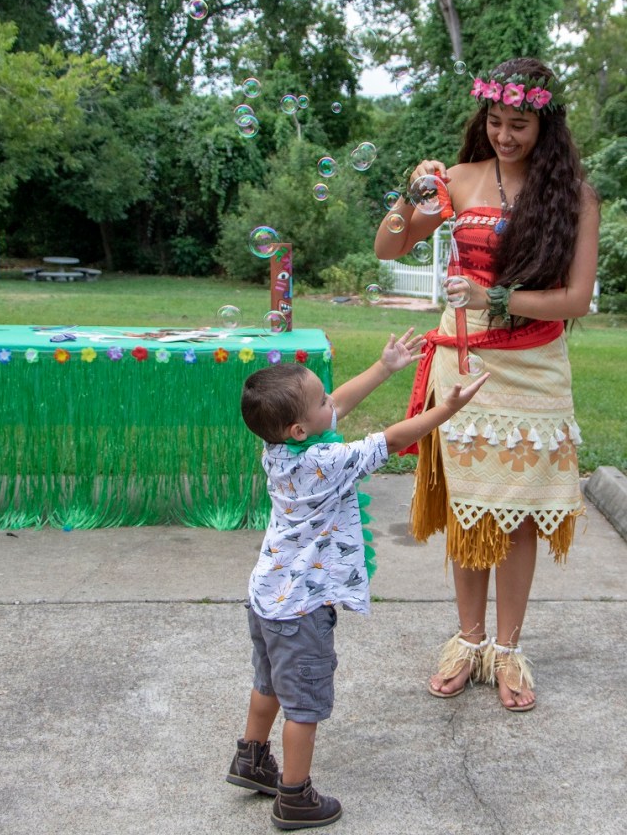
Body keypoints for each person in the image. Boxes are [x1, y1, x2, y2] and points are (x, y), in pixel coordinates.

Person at [374, 57, 600, 712]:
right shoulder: (460, 179)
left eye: (520, 124)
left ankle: (507, 650)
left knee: (521, 515)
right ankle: (466, 643)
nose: (505, 135)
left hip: (535, 370)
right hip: (466, 365)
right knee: (471, 512)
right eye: (496, 121)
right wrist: (408, 194)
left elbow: (577, 299)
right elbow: (389, 248)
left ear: (545, 124)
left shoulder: (575, 196)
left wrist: (495, 295)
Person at [228, 331, 488, 830]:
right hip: (302, 608)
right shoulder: (327, 462)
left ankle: (251, 760)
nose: (333, 400)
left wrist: (383, 366)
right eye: (322, 399)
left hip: (267, 599)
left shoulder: (279, 449)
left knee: (269, 685)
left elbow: (335, 406)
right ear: (300, 427)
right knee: (304, 706)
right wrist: (447, 410)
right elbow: (392, 438)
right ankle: (294, 797)